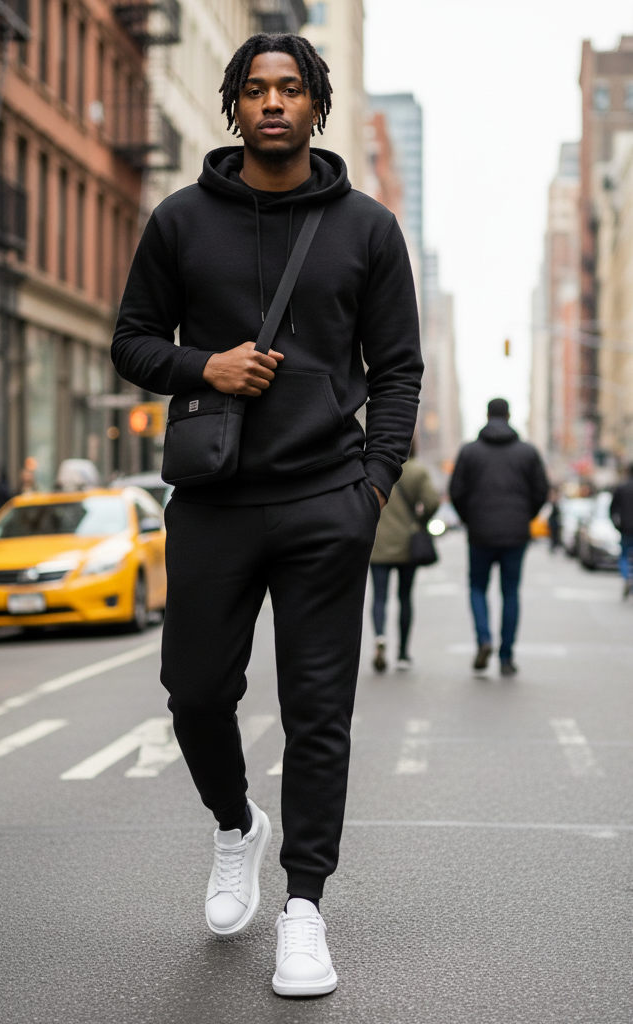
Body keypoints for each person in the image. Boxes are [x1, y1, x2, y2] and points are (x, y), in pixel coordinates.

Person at [112, 33, 422, 997]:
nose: (274, 102)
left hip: (328, 498)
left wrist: (372, 484)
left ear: (316, 105)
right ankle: (238, 824)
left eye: (291, 88)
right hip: (213, 500)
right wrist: (203, 364)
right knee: (196, 692)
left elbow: (399, 372)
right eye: (257, 89)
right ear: (235, 105)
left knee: (318, 713)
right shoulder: (179, 221)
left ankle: (304, 909)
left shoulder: (367, 228)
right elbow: (129, 341)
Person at [449, 398, 548, 677]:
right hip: (515, 534)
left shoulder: (469, 452)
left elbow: (456, 491)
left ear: (487, 415)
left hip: (480, 533)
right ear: (509, 416)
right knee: (510, 592)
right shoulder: (527, 452)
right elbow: (541, 491)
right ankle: (506, 657)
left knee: (477, 588)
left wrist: (471, 518)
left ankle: (484, 640)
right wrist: (524, 516)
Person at [370, 445, 439, 672]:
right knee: (405, 597)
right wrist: (420, 521)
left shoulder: (373, 468)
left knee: (379, 597)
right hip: (407, 544)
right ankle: (402, 653)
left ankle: (380, 637)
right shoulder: (417, 470)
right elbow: (432, 501)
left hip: (378, 544)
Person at [610, 463, 633, 597]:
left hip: (625, 529)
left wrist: (617, 525)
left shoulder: (622, 488)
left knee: (624, 556)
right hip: (625, 529)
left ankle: (627, 578)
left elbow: (612, 510)